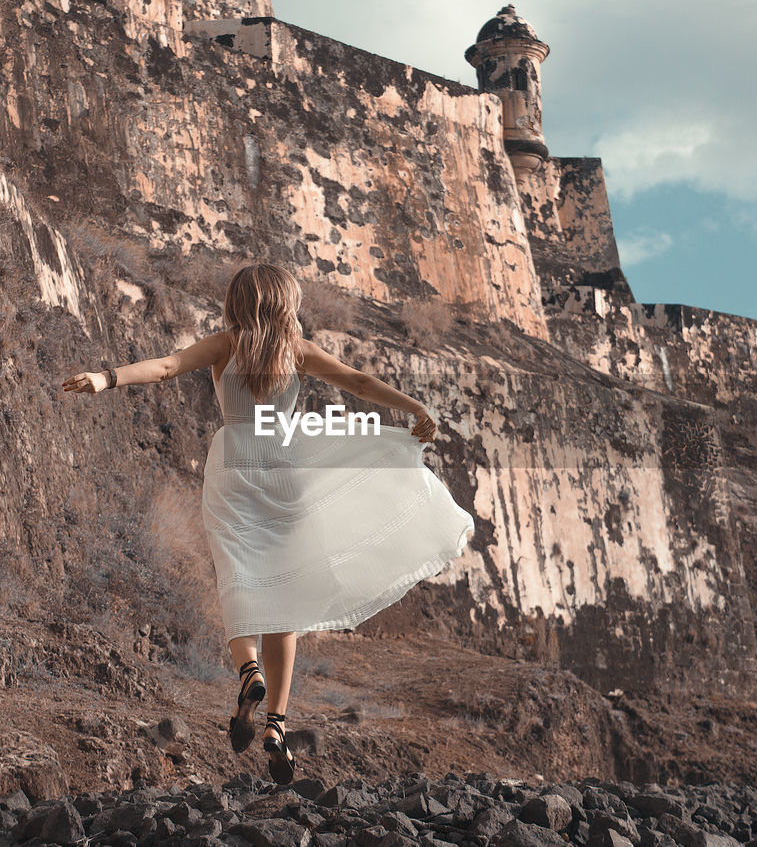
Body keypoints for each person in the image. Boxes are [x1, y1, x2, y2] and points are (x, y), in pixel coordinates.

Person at [61, 262, 474, 783]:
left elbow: (167, 367)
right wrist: (413, 405)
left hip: (235, 465)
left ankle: (248, 671)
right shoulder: (296, 353)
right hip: (286, 471)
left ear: (236, 303)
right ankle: (276, 723)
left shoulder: (224, 346)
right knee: (287, 599)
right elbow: (359, 382)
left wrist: (107, 377)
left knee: (237, 578)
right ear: (287, 305)